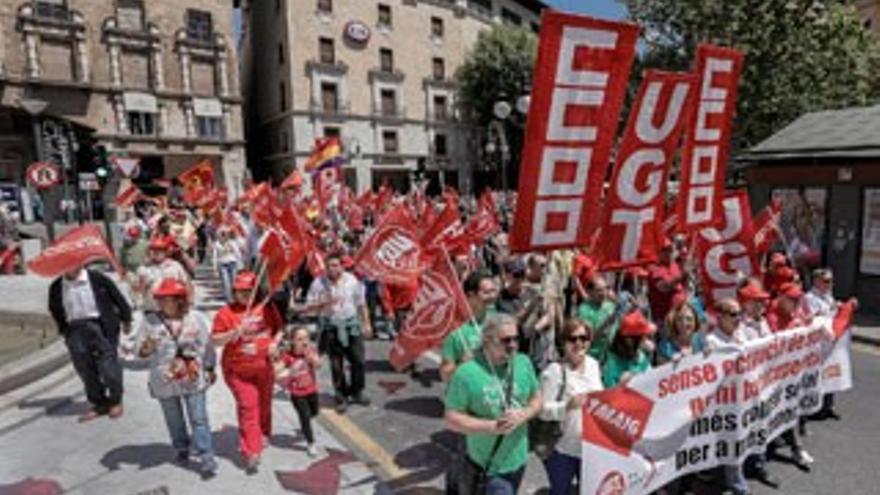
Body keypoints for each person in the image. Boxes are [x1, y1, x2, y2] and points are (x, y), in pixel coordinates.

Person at [444, 313, 543, 494]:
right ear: (487, 340)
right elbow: (451, 418)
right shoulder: (467, 373)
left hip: (519, 460)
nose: (513, 345)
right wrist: (491, 426)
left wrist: (524, 415)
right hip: (488, 466)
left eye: (515, 338)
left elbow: (537, 399)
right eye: (506, 340)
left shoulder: (523, 362)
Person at [137, 278, 218, 477]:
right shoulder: (150, 321)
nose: (163, 303)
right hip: (164, 378)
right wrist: (145, 349)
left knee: (198, 418)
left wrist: (210, 367)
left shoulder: (196, 318)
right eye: (160, 299)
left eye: (168, 299)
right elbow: (138, 351)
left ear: (180, 300)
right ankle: (181, 446)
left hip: (192, 375)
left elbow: (207, 345)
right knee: (173, 418)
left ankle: (206, 454)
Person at [211, 271, 285, 472]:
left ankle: (263, 433)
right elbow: (215, 339)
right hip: (238, 371)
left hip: (264, 368)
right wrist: (233, 333)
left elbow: (279, 330)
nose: (244, 295)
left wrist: (273, 344)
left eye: (248, 291)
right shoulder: (225, 313)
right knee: (248, 406)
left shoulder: (266, 307)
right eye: (240, 291)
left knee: (264, 404)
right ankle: (251, 450)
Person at [48, 263, 132, 422]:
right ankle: (99, 403)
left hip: (100, 326)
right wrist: (64, 329)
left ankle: (115, 400)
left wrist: (126, 318)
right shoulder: (57, 286)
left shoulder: (97, 279)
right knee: (84, 368)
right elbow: (55, 308)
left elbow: (117, 297)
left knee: (108, 366)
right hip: (75, 328)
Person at [539, 319, 603, 495]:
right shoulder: (554, 371)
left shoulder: (593, 365)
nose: (579, 343)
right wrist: (567, 406)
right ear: (563, 343)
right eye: (572, 339)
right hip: (562, 448)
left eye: (584, 338)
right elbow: (542, 411)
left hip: (591, 448)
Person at [302, 253, 373, 413]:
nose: (332, 269)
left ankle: (357, 391)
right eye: (329, 266)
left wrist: (367, 324)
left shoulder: (352, 280)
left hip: (351, 325)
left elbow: (362, 304)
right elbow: (308, 310)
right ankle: (340, 396)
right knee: (336, 364)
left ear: (341, 266)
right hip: (331, 327)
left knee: (358, 360)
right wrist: (322, 303)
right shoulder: (318, 283)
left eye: (335, 265)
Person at [703, 298, 751, 495]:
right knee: (728, 439)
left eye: (739, 313)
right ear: (720, 317)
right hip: (722, 400)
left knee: (735, 439)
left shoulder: (741, 334)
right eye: (733, 314)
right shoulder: (711, 341)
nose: (738, 318)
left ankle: (725, 478)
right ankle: (737, 485)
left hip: (741, 397)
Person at [765, 283, 814, 469]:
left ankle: (791, 443)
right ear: (781, 297)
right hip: (775, 376)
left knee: (787, 410)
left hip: (791, 373)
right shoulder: (772, 316)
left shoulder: (795, 312)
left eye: (797, 298)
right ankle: (796, 448)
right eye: (792, 299)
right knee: (782, 410)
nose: (796, 302)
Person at [440, 270, 498, 382]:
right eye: (487, 292)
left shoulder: (499, 321)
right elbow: (445, 375)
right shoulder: (456, 330)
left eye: (493, 291)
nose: (492, 296)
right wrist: (462, 365)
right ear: (471, 296)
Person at [274, 326, 322, 457]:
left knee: (314, 412)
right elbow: (276, 370)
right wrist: (288, 370)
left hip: (312, 390)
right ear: (293, 341)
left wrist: (312, 357)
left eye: (306, 338)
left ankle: (305, 428)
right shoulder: (288, 356)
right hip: (297, 393)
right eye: (300, 339)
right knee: (305, 416)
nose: (304, 342)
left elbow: (318, 365)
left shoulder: (311, 351)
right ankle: (311, 443)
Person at [135, 237, 192, 313]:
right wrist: (141, 284)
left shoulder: (175, 266)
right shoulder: (143, 268)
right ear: (149, 252)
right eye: (153, 249)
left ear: (165, 251)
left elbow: (186, 283)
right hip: (151, 309)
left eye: (160, 249)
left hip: (172, 310)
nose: (156, 252)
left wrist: (188, 301)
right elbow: (138, 290)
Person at [602, 311, 655, 388]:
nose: (645, 340)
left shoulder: (641, 356)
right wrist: (621, 384)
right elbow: (609, 394)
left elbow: (653, 381)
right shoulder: (612, 363)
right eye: (642, 337)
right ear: (629, 340)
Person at [576, 274, 619, 363]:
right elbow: (590, 337)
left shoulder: (611, 306)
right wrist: (607, 323)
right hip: (593, 357)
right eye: (599, 290)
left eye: (605, 289)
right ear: (590, 292)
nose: (603, 293)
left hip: (611, 356)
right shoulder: (584, 310)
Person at [647, 240, 687, 330]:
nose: (668, 252)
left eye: (670, 249)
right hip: (665, 318)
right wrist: (681, 277)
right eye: (665, 250)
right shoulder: (654, 268)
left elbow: (682, 286)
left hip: (681, 314)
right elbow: (663, 287)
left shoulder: (674, 265)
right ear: (658, 252)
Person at [212, 227, 243, 302]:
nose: (223, 235)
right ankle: (229, 300)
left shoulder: (232, 242)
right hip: (223, 265)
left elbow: (237, 254)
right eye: (222, 234)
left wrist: (240, 265)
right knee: (226, 283)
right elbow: (215, 256)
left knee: (234, 283)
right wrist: (215, 268)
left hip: (233, 264)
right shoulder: (216, 244)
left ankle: (236, 299)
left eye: (225, 234)